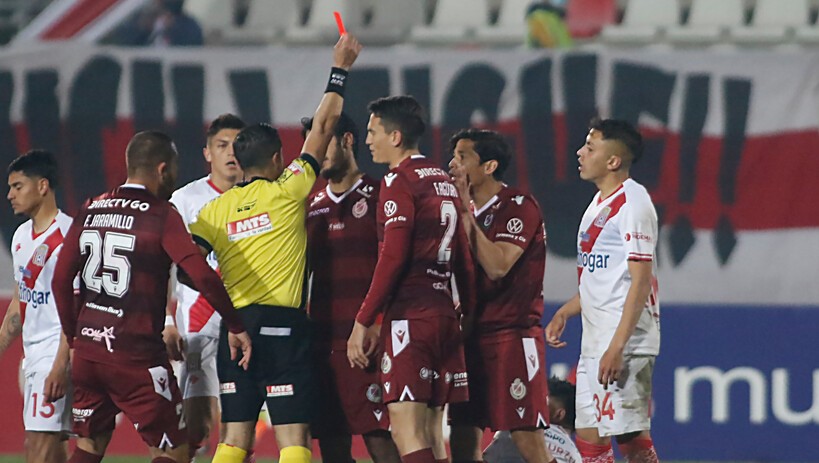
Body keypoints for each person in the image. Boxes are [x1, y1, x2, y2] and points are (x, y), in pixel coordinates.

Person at [187, 34, 362, 463]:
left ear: (240, 163)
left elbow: (187, 265)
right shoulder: (289, 189)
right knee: (292, 439)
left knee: (234, 440)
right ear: (280, 157)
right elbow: (323, 128)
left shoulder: (214, 211)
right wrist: (340, 68)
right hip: (284, 325)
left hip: (237, 328)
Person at [52, 131, 252, 463]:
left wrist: (75, 338)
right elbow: (200, 273)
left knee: (89, 447)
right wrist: (235, 322)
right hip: (135, 357)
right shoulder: (159, 214)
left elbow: (61, 280)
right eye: (173, 168)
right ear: (162, 169)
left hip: (89, 353)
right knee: (174, 451)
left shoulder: (92, 206)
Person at [347, 95, 477, 463]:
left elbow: (393, 255)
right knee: (433, 435)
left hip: (411, 317)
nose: (367, 140)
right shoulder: (443, 180)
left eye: (373, 132)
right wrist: (467, 311)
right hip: (443, 317)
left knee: (406, 430)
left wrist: (364, 318)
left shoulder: (398, 180)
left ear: (396, 136)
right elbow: (463, 257)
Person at [545, 119, 660, 463]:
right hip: (596, 341)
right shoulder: (598, 202)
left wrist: (618, 347)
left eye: (590, 148)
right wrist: (567, 310)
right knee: (590, 439)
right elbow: (605, 278)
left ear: (613, 161)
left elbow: (641, 283)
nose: (580, 153)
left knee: (630, 437)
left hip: (622, 341)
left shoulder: (634, 205)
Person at [446, 129, 555, 463]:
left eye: (463, 157)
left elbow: (498, 266)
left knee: (527, 439)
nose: (452, 164)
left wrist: (464, 214)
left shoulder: (518, 206)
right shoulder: (461, 210)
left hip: (511, 335)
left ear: (490, 166)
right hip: (471, 338)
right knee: (463, 439)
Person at [303, 113, 400, 463]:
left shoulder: (381, 197)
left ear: (346, 140)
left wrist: (377, 323)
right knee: (332, 446)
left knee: (380, 440)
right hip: (324, 345)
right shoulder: (311, 208)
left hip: (370, 341)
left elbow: (397, 268)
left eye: (324, 141)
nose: (317, 153)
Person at [163, 113, 246, 461]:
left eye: (237, 146)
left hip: (244, 321)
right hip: (197, 324)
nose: (230, 153)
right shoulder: (183, 200)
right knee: (195, 424)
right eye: (222, 145)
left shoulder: (261, 196)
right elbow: (162, 268)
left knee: (238, 425)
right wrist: (165, 323)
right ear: (207, 153)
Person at [1, 150, 72, 463]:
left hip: (55, 358)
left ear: (43, 186)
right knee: (45, 449)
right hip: (32, 359)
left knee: (39, 449)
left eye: (17, 187)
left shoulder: (70, 236)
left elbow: (78, 308)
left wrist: (60, 364)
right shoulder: (20, 237)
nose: (9, 195)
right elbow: (20, 303)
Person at [483, 378, 581, 463]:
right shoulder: (575, 455)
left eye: (544, 401)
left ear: (559, 414)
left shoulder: (519, 428)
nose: (538, 405)